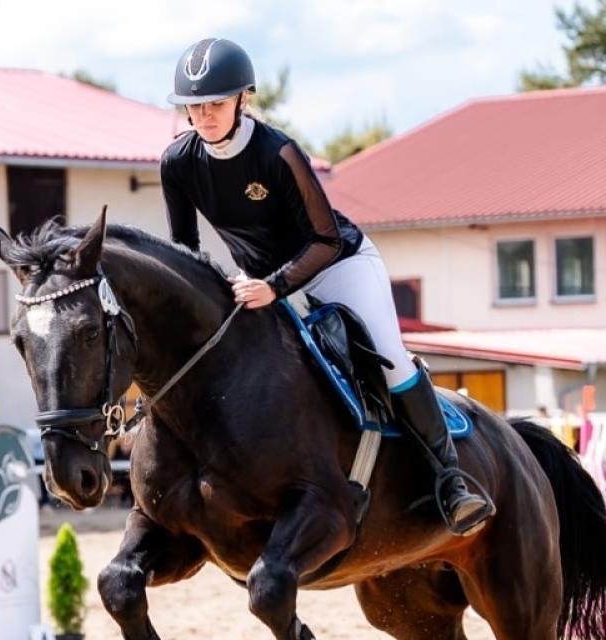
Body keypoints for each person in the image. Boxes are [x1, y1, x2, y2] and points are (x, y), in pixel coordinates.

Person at [158, 37, 493, 536]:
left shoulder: (278, 152)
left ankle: (451, 480)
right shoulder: (177, 162)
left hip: (337, 265)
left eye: (216, 104)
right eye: (195, 106)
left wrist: (274, 287)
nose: (204, 116)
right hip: (261, 281)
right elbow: (184, 250)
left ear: (243, 99)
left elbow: (327, 239)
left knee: (389, 357)